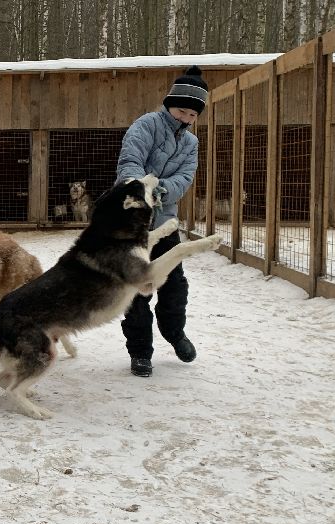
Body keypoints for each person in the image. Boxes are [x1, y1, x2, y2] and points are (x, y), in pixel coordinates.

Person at [116, 65, 209, 378]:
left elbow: (184, 178)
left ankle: (175, 333)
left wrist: (161, 190)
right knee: (136, 289)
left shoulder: (191, 145)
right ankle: (140, 351)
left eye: (193, 115)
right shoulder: (146, 126)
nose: (185, 118)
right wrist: (142, 192)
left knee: (174, 286)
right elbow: (130, 164)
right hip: (132, 222)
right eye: (181, 110)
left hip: (165, 223)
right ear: (170, 104)